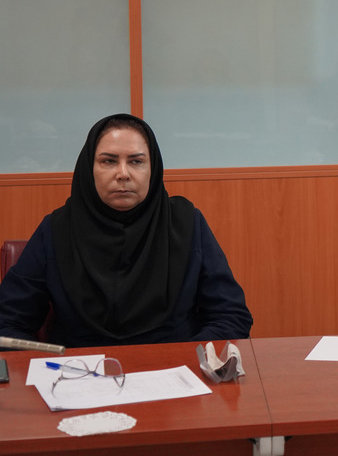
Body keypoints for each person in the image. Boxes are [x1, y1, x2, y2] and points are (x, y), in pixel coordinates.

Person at [0, 114, 253, 347]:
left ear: (153, 169)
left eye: (136, 161)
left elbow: (230, 315)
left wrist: (188, 359)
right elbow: (7, 321)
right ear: (89, 168)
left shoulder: (186, 223)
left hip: (175, 370)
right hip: (78, 372)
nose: (123, 174)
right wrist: (45, 365)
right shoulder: (57, 229)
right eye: (108, 161)